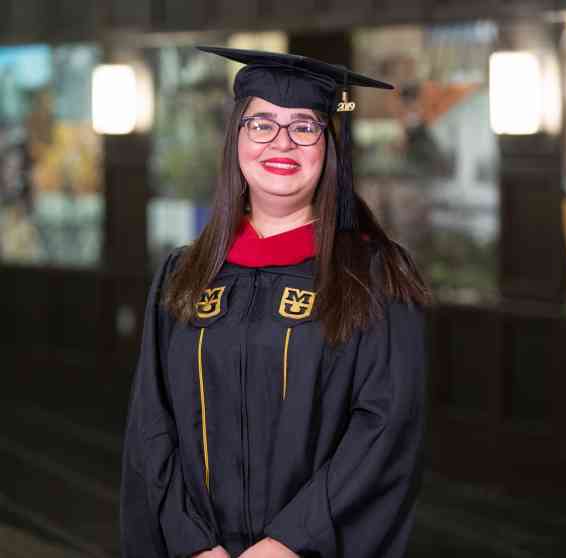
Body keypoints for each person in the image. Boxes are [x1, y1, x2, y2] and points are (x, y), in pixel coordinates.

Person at [120, 46, 432, 558]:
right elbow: (151, 423)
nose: (281, 142)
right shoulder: (184, 274)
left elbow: (385, 427)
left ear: (329, 145)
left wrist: (288, 543)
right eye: (261, 123)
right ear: (235, 140)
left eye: (304, 126)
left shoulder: (374, 273)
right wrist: (192, 541)